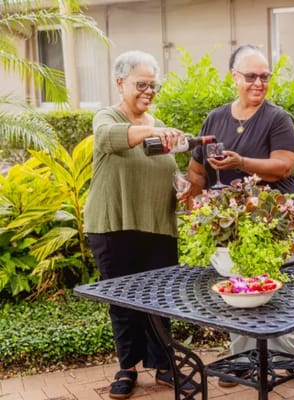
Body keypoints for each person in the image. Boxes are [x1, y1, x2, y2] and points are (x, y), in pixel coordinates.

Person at [182, 44, 294, 388]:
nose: (259, 83)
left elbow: (284, 165)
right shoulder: (215, 118)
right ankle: (243, 358)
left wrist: (240, 162)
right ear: (234, 77)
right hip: (230, 222)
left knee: (278, 286)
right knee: (237, 289)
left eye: (265, 76)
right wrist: (192, 204)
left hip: (275, 219)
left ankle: (288, 358)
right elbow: (197, 169)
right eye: (251, 76)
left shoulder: (276, 118)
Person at [84, 50, 193, 399]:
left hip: (157, 225)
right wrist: (150, 130)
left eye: (153, 85)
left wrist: (183, 187)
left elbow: (168, 174)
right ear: (120, 83)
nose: (149, 91)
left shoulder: (158, 127)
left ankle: (163, 366)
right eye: (141, 84)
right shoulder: (107, 116)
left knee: (162, 298)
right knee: (122, 299)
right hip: (113, 223)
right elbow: (107, 138)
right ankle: (127, 368)